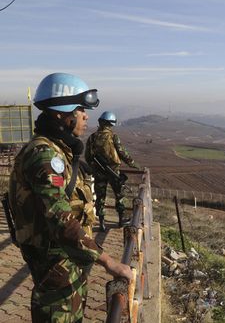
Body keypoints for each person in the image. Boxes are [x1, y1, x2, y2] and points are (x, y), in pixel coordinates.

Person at [8, 73, 132, 322]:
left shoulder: (59, 151)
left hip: (67, 263)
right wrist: (108, 262)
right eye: (80, 109)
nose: (86, 116)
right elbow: (60, 218)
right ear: (60, 114)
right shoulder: (44, 155)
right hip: (55, 266)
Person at [85, 111, 140, 232]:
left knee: (100, 197)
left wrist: (95, 166)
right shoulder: (113, 136)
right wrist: (132, 164)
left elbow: (88, 156)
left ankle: (102, 224)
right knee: (119, 195)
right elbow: (122, 152)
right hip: (114, 171)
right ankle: (121, 220)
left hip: (99, 172)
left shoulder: (92, 137)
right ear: (111, 124)